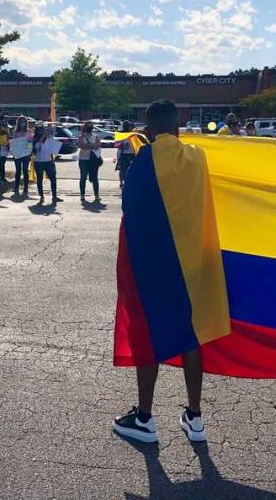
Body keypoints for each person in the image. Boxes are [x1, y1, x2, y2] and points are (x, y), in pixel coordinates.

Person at [112, 99, 226, 444]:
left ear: (149, 130)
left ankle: (145, 418)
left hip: (154, 264)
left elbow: (130, 210)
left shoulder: (145, 160)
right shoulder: (197, 156)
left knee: (148, 335)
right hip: (194, 262)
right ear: (179, 126)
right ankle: (195, 417)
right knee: (191, 335)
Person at [33, 125, 59, 204]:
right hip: (39, 162)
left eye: (42, 130)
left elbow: (53, 147)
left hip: (49, 161)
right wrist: (42, 138)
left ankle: (54, 197)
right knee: (39, 180)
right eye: (39, 131)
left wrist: (50, 133)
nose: (41, 132)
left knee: (53, 179)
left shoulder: (48, 138)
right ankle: (41, 196)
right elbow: (35, 149)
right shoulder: (34, 139)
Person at [78, 121, 103, 203]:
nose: (89, 128)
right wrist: (93, 145)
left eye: (91, 126)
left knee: (95, 177)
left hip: (94, 160)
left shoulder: (96, 136)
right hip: (83, 159)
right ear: (85, 127)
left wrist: (88, 146)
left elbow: (99, 145)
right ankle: (82, 195)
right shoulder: (82, 136)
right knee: (83, 177)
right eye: (88, 126)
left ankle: (96, 195)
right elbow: (80, 145)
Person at [11, 117, 33, 196]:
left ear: (26, 123)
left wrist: (29, 151)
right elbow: (13, 143)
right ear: (18, 123)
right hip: (18, 154)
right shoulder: (15, 132)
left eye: (24, 122)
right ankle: (16, 187)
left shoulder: (29, 131)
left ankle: (25, 188)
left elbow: (30, 142)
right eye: (21, 122)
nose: (22, 123)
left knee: (25, 171)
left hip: (26, 154)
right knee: (18, 171)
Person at [115, 120, 136, 189]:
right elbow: (117, 144)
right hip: (124, 154)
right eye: (125, 125)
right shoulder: (121, 133)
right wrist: (122, 145)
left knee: (131, 169)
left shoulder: (134, 134)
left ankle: (129, 182)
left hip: (132, 154)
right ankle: (121, 182)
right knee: (122, 169)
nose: (126, 126)